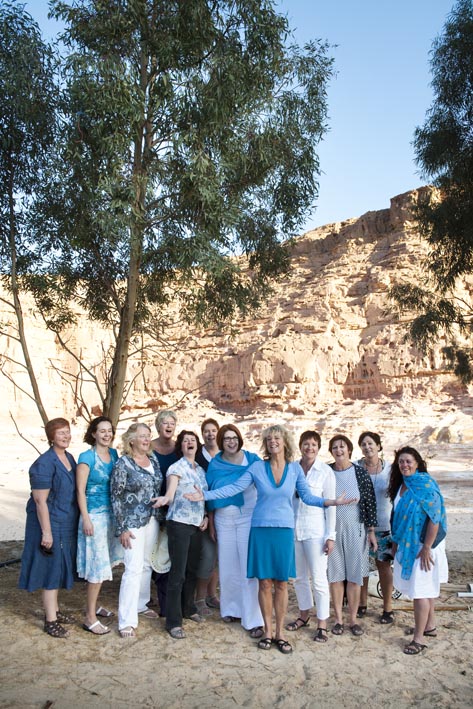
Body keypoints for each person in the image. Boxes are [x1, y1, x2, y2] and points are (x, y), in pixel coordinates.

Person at [183, 424, 355, 655]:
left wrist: (332, 502)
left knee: (281, 583)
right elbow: (234, 488)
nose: (273, 441)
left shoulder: (294, 469)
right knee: (264, 583)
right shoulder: (257, 467)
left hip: (283, 531)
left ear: (285, 442)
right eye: (269, 439)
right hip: (260, 530)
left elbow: (307, 497)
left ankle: (280, 633)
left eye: (277, 438)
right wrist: (205, 495)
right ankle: (267, 631)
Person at [18, 418, 79, 638]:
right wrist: (46, 532)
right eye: (61, 433)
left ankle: (55, 610)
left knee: (60, 566)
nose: (66, 436)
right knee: (51, 569)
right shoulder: (44, 463)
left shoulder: (69, 458)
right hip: (48, 522)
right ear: (51, 437)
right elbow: (40, 501)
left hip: (65, 520)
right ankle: (50, 621)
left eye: (67, 432)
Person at [388, 446, 448, 655]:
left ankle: (419, 638)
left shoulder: (425, 485)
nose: (404, 465)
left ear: (417, 463)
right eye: (401, 461)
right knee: (425, 589)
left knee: (420, 591)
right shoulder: (402, 485)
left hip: (423, 546)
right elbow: (398, 518)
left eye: (408, 461)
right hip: (408, 544)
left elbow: (435, 518)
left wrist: (427, 548)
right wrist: (395, 545)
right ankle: (429, 626)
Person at [205, 423, 263, 636]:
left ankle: (253, 619)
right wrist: (212, 522)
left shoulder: (252, 460)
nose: (231, 442)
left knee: (248, 568)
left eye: (234, 437)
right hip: (223, 519)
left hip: (248, 517)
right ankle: (230, 609)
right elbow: (211, 493)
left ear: (240, 439)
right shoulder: (215, 463)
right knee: (228, 566)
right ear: (221, 441)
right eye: (227, 438)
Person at [153, 430, 209, 639]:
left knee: (192, 569)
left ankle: (188, 608)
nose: (189, 443)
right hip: (179, 524)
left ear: (197, 445)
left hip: (197, 525)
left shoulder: (201, 470)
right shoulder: (175, 468)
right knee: (177, 573)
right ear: (181, 446)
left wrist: (205, 516)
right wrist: (164, 499)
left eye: (193, 440)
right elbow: (170, 493)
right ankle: (173, 622)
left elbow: (203, 497)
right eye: (185, 441)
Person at [110, 422, 162, 638]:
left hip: (152, 519)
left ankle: (141, 604)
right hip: (131, 523)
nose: (147, 439)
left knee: (147, 564)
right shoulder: (123, 464)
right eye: (142, 436)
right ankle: (126, 621)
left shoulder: (153, 460)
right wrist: (122, 527)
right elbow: (116, 496)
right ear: (131, 440)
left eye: (148, 435)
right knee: (132, 569)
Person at [286, 431, 336, 643]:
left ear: (318, 447)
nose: (309, 448)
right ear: (300, 446)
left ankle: (322, 623)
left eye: (314, 444)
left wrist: (330, 536)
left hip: (316, 532)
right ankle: (304, 615)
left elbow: (331, 505)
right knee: (299, 577)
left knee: (318, 578)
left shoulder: (325, 471)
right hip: (295, 530)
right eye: (306, 444)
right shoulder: (291, 469)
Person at [327, 434, 378, 637]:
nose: (339, 450)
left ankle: (353, 619)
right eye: (335, 447)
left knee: (355, 576)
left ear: (349, 450)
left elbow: (370, 503)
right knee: (335, 575)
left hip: (356, 529)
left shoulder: (360, 472)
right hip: (332, 530)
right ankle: (338, 619)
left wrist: (371, 532)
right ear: (331, 451)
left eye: (342, 446)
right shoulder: (327, 472)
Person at [76, 416, 123, 635]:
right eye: (102, 431)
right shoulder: (86, 458)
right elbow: (80, 491)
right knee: (97, 566)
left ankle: (93, 605)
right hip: (94, 516)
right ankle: (89, 618)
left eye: (109, 430)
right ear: (93, 434)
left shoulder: (114, 454)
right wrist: (85, 518)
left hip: (111, 516)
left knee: (105, 564)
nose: (106, 434)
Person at [356, 431, 395, 623]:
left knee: (384, 566)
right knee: (362, 566)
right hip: (360, 525)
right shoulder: (355, 467)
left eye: (370, 443)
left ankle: (387, 607)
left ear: (379, 446)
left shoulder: (390, 469)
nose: (367, 447)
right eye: (363, 444)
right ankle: (362, 604)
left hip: (384, 526)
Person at [150, 409, 178, 615]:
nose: (168, 426)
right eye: (165, 423)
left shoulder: (179, 448)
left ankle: (166, 602)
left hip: (174, 509)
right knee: (151, 552)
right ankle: (148, 597)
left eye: (172, 423)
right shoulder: (148, 447)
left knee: (167, 553)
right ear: (158, 426)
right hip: (151, 508)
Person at [194, 418, 220, 616]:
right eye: (206, 431)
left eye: (213, 430)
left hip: (223, 511)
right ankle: (199, 598)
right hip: (202, 512)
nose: (210, 434)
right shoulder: (197, 456)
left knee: (218, 557)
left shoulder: (225, 455)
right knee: (207, 556)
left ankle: (212, 595)